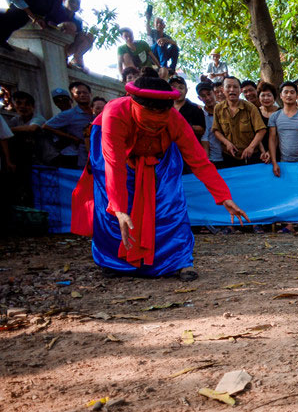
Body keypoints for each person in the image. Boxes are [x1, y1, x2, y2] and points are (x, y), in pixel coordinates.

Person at [73, 74, 247, 278]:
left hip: (159, 152)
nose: (156, 119)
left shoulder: (174, 119)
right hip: (113, 153)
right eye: (151, 112)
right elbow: (114, 165)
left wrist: (224, 196)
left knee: (170, 201)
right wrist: (119, 209)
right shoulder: (114, 114)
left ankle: (178, 261)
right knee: (112, 206)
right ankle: (114, 262)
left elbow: (199, 160)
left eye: (162, 112)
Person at [212, 76, 268, 167]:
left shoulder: (250, 107)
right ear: (222, 89)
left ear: (240, 90)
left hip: (251, 155)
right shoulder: (218, 108)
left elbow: (261, 130)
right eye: (228, 87)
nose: (232, 90)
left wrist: (251, 147)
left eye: (235, 87)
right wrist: (227, 143)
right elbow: (216, 130)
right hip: (229, 156)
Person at [268, 80, 298, 178]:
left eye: (292, 92)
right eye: (286, 92)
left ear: (297, 96)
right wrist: (274, 163)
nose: (289, 95)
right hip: (283, 163)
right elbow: (272, 140)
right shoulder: (274, 116)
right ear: (281, 95)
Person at [42, 81, 94, 168]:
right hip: (80, 154)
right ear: (73, 97)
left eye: (85, 92)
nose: (82, 95)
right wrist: (73, 138)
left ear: (90, 94)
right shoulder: (68, 114)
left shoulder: (96, 112)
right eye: (78, 93)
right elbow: (46, 126)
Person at [167, 76, 205, 143]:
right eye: (174, 87)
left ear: (186, 90)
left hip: (189, 147)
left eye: (181, 88)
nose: (178, 90)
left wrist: (185, 125)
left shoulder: (195, 108)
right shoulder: (165, 108)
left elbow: (202, 130)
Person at [196, 81, 224, 167]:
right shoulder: (201, 114)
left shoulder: (225, 108)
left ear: (214, 93)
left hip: (231, 155)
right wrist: (206, 162)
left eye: (209, 94)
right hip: (214, 159)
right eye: (203, 96)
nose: (207, 98)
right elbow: (205, 139)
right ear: (199, 98)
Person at [144, 5, 178, 75]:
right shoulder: (152, 32)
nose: (159, 25)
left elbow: (174, 43)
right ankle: (164, 66)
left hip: (162, 56)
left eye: (161, 23)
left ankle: (172, 68)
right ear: (154, 25)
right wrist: (148, 19)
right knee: (160, 43)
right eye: (157, 23)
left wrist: (167, 40)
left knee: (175, 47)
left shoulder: (166, 36)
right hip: (152, 55)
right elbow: (147, 27)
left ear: (164, 25)